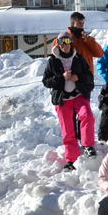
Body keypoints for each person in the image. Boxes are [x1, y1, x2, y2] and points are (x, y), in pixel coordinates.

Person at [42, 31, 96, 170]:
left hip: (78, 95)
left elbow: (89, 76)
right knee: (67, 129)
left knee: (87, 116)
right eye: (61, 42)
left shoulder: (78, 58)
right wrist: (61, 77)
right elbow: (46, 81)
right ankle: (71, 160)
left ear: (71, 43)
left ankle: (88, 145)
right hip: (62, 98)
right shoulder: (53, 61)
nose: (64, 45)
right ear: (58, 44)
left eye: (67, 42)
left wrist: (78, 77)